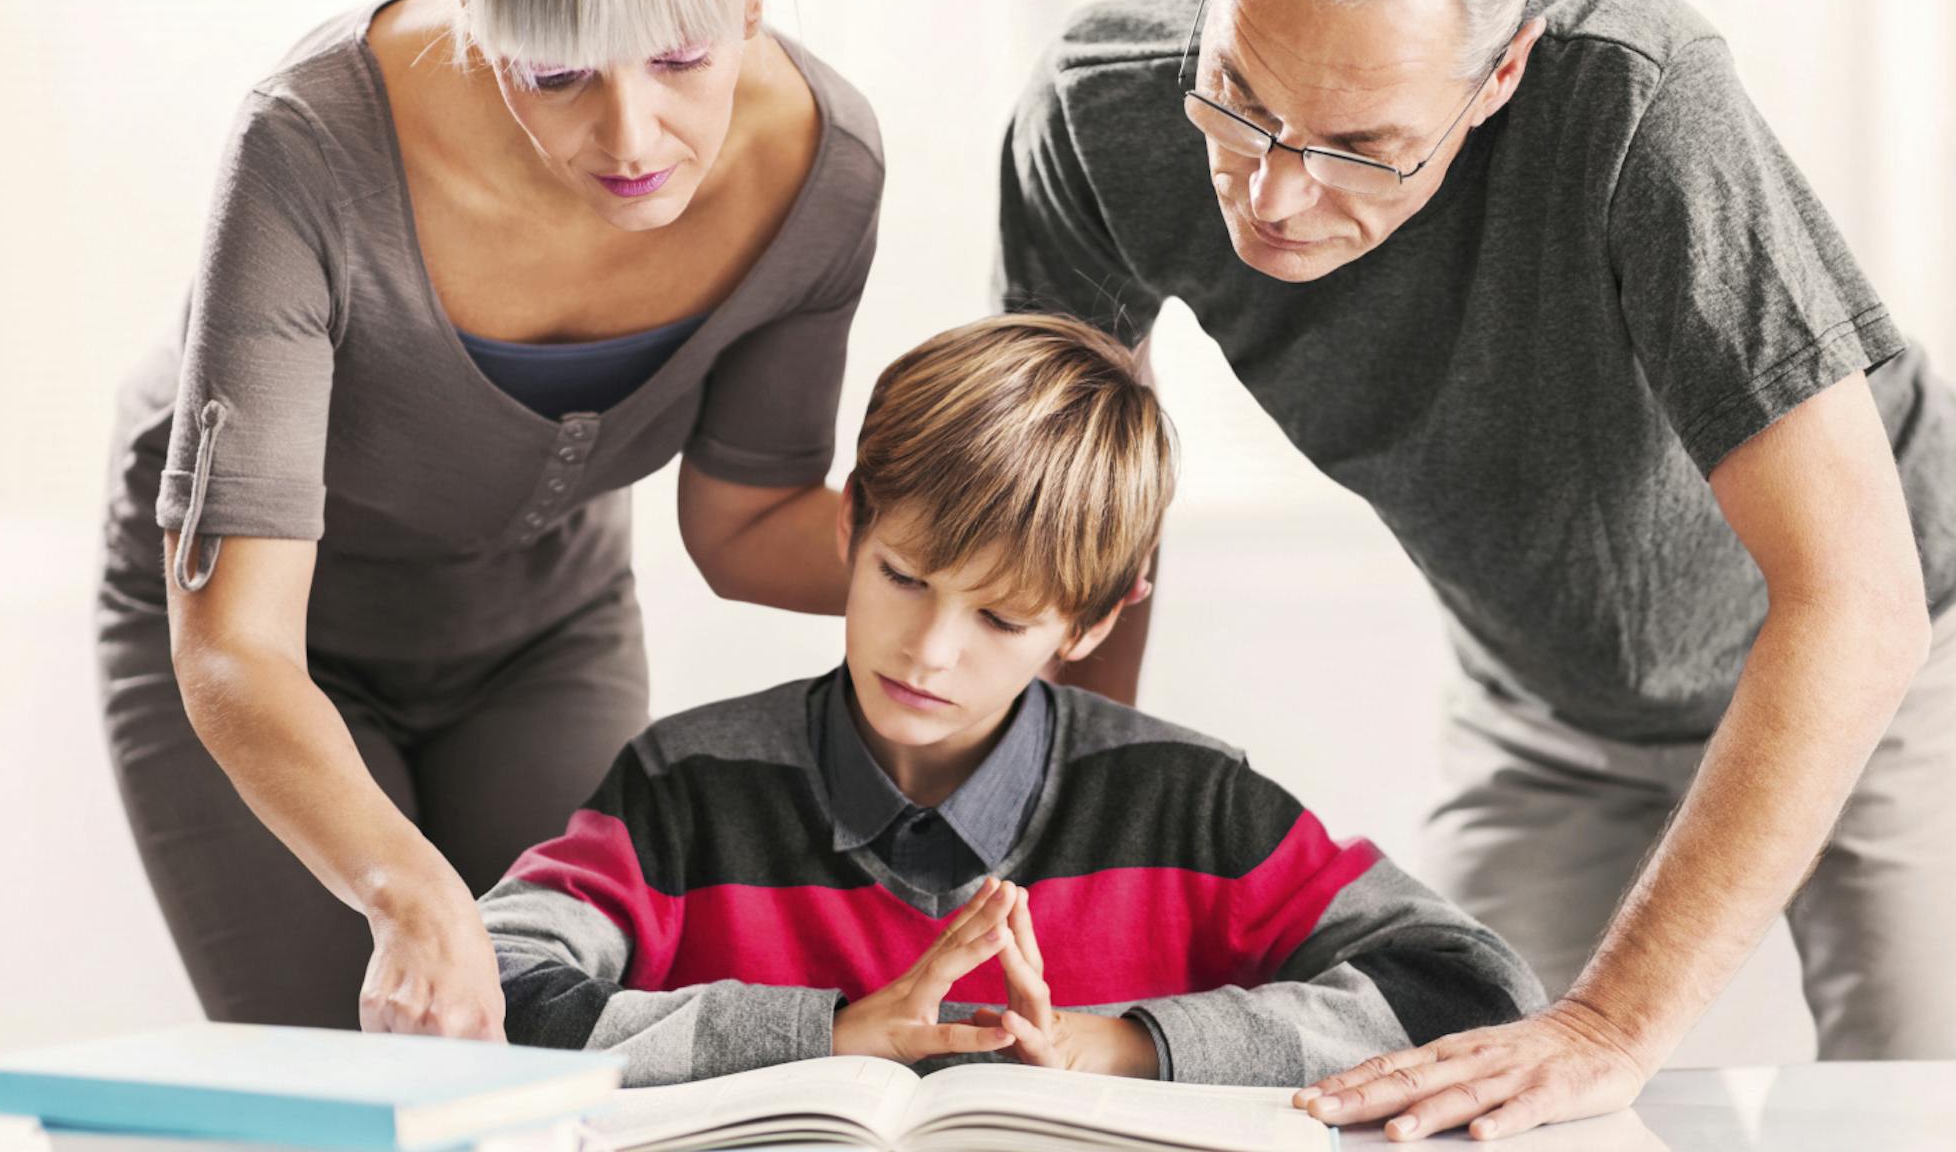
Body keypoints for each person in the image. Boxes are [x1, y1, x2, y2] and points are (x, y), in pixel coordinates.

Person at [999, 0, 1956, 1138]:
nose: (1273, 195)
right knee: (1436, 1099)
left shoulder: (1639, 96)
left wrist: (1613, 1023)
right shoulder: (1100, 115)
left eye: (1361, 148)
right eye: (1239, 99)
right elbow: (1078, 529)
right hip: (1549, 701)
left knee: (1915, 1099)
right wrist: (1073, 872)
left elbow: (1857, 607)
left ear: (1498, 76)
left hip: (1897, 662)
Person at [96, 0, 882, 1041]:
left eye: (682, 58)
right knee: (341, 1083)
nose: (634, 135)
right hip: (260, 648)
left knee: (579, 1051)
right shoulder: (306, 147)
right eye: (557, 70)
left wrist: (977, 565)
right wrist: (406, 892)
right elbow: (238, 642)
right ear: (472, 4)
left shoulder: (822, 172)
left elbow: (746, 527)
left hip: (542, 623)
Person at [476, 314, 1543, 1085]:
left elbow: (1474, 988)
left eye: (1002, 619)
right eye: (903, 578)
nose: (931, 652)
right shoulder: (684, 789)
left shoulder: (1194, 805)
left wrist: (1120, 1044)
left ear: (1090, 624)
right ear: (852, 527)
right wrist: (832, 1035)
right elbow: (492, 990)